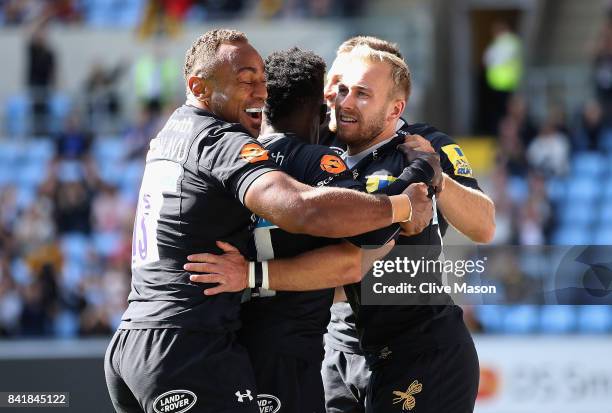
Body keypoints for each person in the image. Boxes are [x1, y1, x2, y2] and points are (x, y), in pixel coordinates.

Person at [104, 29, 428, 413]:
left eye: (263, 80)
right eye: (246, 80)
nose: (260, 91)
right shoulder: (222, 140)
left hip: (134, 338)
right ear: (199, 86)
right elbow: (301, 208)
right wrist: (401, 204)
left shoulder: (171, 132)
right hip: (189, 347)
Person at [191, 47, 437, 413]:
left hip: (233, 342)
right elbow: (371, 230)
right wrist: (421, 171)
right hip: (291, 346)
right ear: (317, 111)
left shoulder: (236, 158)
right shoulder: (314, 161)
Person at [320, 36, 494, 413]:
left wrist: (438, 179)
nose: (342, 98)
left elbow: (484, 225)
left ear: (393, 105)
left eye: (361, 92)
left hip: (417, 343)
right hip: (339, 345)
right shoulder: (318, 148)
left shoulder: (425, 143)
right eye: (339, 86)